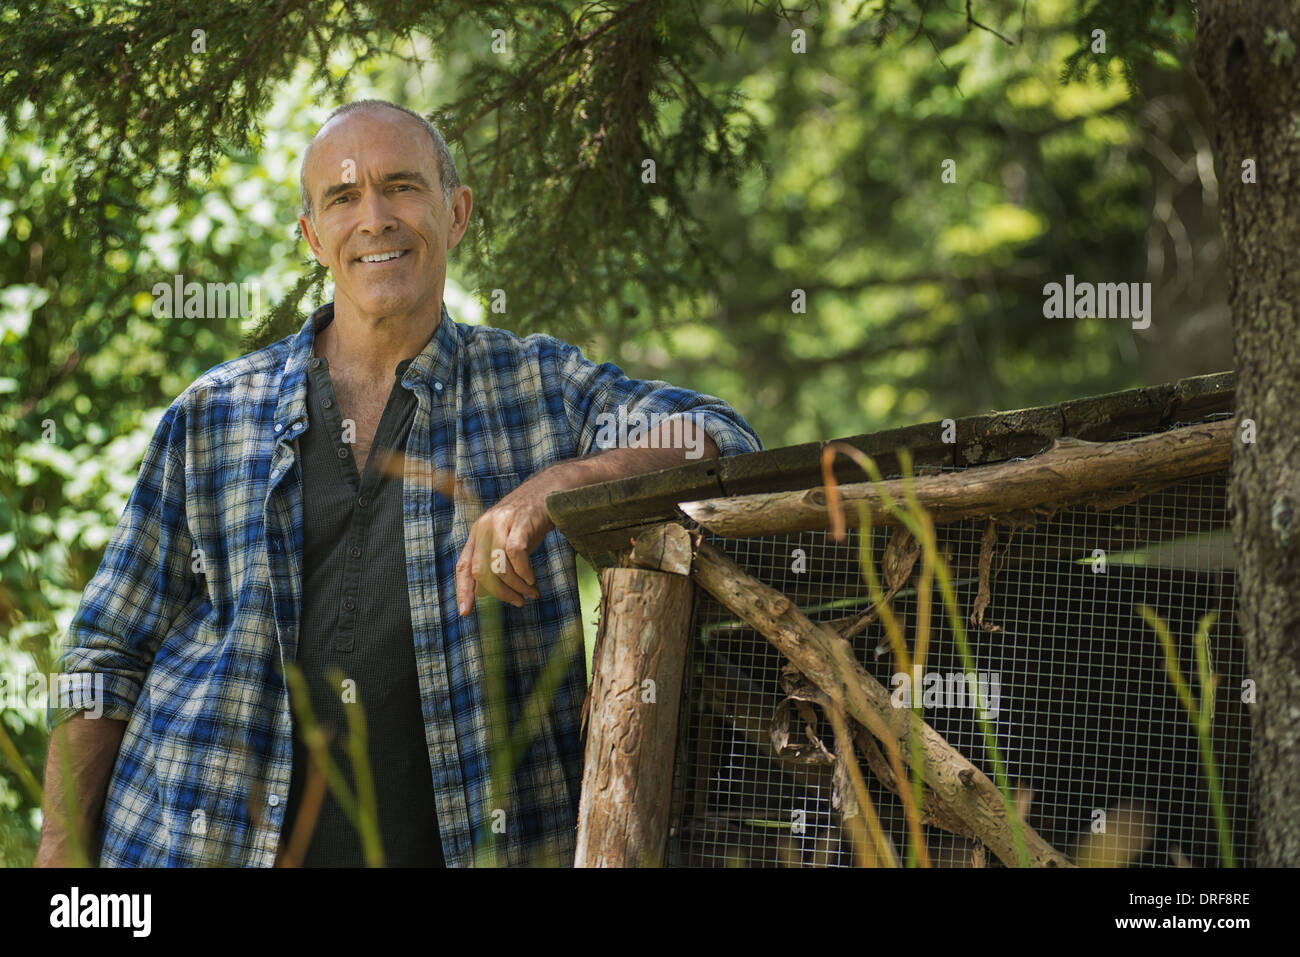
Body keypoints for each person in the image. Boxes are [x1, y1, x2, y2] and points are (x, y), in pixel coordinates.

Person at [34, 99, 762, 867]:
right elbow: (106, 657)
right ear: (314, 237)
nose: (374, 217)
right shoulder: (216, 414)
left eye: (402, 187)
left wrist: (559, 485)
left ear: (457, 212)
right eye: (343, 198)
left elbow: (719, 435)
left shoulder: (540, 388)